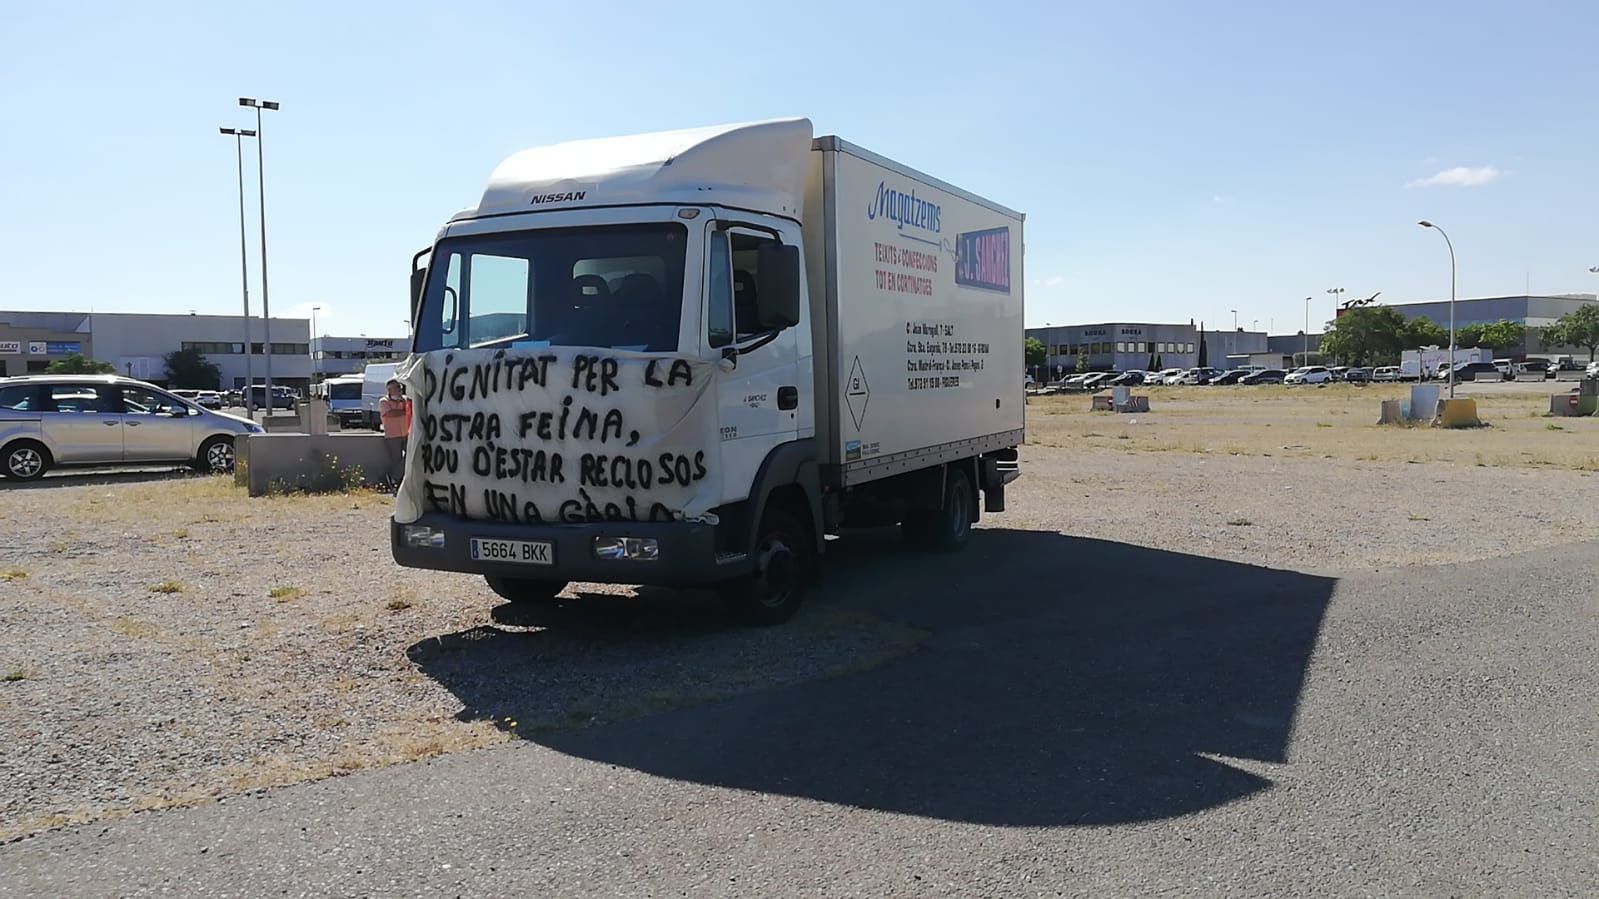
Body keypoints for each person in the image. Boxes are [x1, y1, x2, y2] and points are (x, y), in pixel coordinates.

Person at [379, 379, 411, 487]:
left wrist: (404, 407)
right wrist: (405, 411)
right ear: (390, 390)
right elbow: (390, 413)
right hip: (393, 435)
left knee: (409, 456)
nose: (399, 389)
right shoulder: (384, 401)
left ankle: (395, 477)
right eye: (397, 387)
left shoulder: (405, 400)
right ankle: (395, 480)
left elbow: (411, 410)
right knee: (396, 459)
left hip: (406, 433)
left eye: (400, 387)